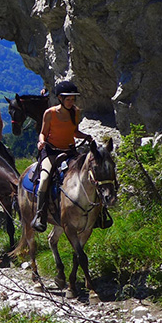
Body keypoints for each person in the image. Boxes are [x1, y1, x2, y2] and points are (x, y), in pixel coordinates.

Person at [31, 80, 93, 232]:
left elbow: (74, 132)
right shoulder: (50, 113)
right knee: (45, 179)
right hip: (51, 151)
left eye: (73, 99)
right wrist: (41, 142)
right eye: (68, 99)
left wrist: (87, 136)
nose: (71, 102)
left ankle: (97, 212)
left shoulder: (75, 112)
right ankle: (40, 214)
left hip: (70, 150)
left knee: (87, 174)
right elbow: (43, 133)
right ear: (60, 98)